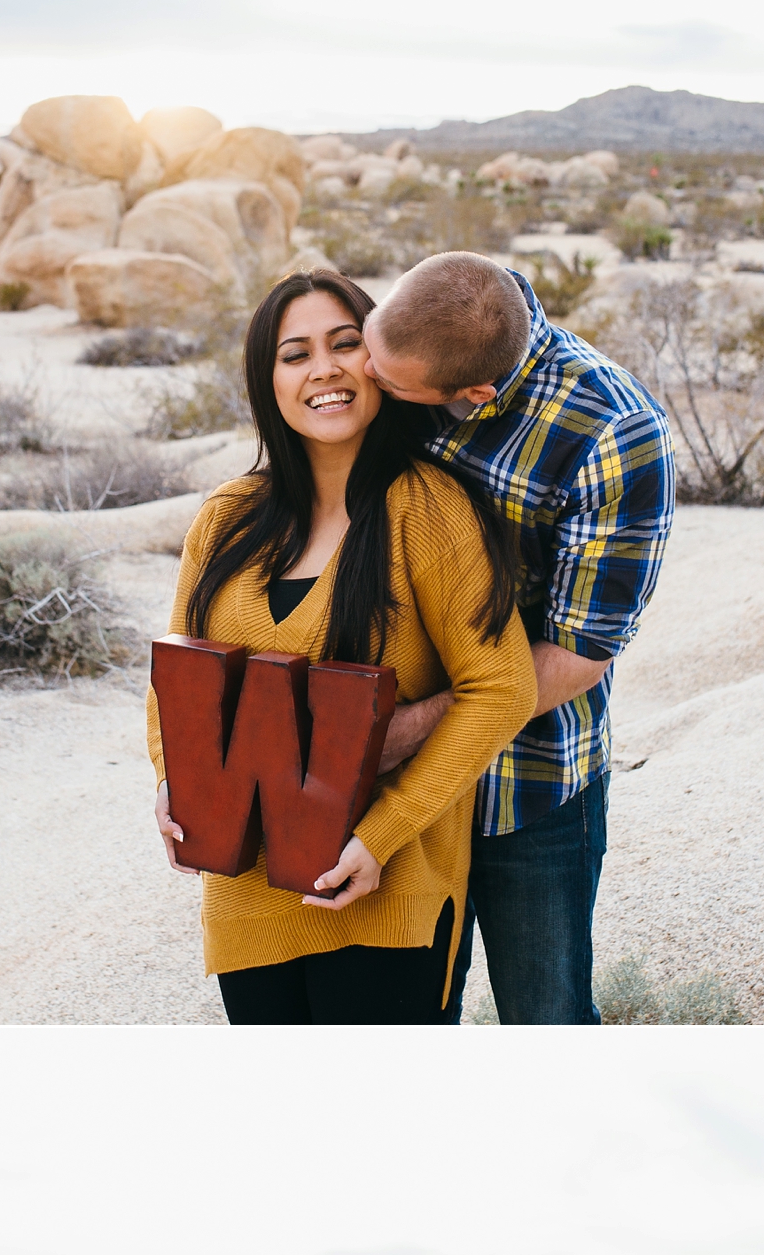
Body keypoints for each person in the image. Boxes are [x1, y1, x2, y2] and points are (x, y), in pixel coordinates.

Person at [150, 271, 535, 1024]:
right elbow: (175, 674)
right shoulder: (225, 518)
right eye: (295, 354)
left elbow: (502, 686)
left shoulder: (430, 508)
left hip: (383, 891)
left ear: (380, 362)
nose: (323, 368)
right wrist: (173, 778)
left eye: (345, 343)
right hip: (246, 896)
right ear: (269, 383)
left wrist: (381, 836)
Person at [361, 253, 677, 1025]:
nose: (365, 378)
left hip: (525, 786)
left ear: (474, 396)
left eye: (391, 384)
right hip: (387, 793)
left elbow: (578, 654)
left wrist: (412, 728)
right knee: (398, 1017)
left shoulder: (615, 433)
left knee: (546, 1016)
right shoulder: (442, 316)